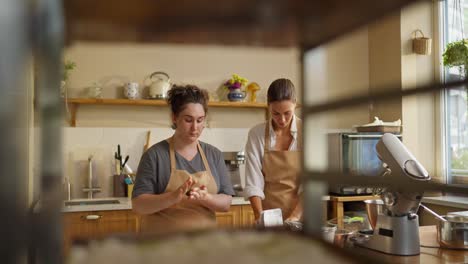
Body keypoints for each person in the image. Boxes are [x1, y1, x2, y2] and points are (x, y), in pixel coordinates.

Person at [132, 84, 234, 234]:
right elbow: (139, 205)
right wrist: (173, 197)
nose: (195, 127)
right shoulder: (155, 155)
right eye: (188, 120)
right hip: (161, 248)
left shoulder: (214, 154)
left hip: (205, 247)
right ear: (174, 118)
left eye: (200, 120)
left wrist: (206, 198)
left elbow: (226, 203)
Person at [244, 78, 302, 224]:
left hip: (302, 217)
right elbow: (254, 183)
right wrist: (260, 217)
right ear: (269, 106)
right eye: (276, 113)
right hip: (268, 218)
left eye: (287, 113)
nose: (282, 120)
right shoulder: (256, 134)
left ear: (295, 104)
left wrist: (294, 218)